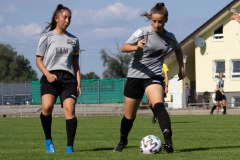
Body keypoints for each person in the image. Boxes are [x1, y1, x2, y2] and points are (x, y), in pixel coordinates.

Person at [113, 3, 185, 153]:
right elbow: (124, 47)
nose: (157, 24)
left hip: (154, 76)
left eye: (160, 21)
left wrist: (181, 68)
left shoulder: (169, 37)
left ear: (166, 20)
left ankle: (168, 142)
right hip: (135, 76)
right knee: (129, 117)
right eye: (154, 21)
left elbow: (178, 49)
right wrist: (136, 47)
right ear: (150, 20)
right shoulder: (142, 32)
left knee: (158, 104)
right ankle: (123, 140)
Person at [36, 4, 81, 154]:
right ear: (56, 18)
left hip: (68, 79)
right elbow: (38, 60)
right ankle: (48, 140)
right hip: (50, 78)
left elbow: (76, 64)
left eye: (69, 18)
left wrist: (78, 82)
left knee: (69, 110)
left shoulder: (74, 40)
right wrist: (48, 74)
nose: (67, 20)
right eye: (65, 17)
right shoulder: (46, 38)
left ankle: (70, 147)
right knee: (47, 107)